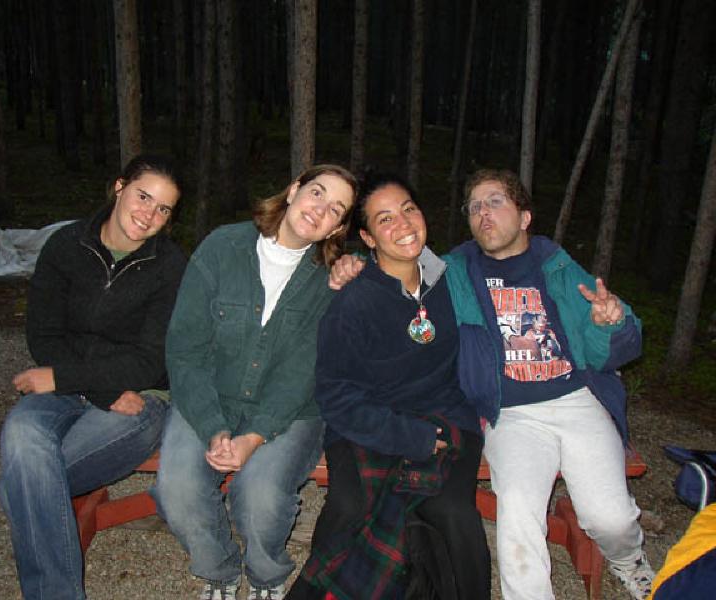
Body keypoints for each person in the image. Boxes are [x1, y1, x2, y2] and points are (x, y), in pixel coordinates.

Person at [329, 168, 655, 600]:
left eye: (496, 201)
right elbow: (393, 261)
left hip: (577, 400)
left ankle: (628, 558)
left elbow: (610, 350)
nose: (484, 213)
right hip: (509, 412)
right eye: (475, 206)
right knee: (517, 518)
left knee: (610, 519)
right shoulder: (453, 267)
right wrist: (353, 263)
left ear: (524, 217)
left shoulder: (556, 265)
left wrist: (609, 323)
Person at [153, 164, 357, 600]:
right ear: (294, 188)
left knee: (260, 496)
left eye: (335, 208)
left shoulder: (330, 278)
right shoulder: (223, 246)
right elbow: (185, 348)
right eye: (317, 193)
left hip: (292, 410)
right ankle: (219, 570)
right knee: (178, 488)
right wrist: (212, 426)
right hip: (210, 395)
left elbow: (304, 371)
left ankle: (267, 576)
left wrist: (254, 435)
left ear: (337, 227)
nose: (320, 209)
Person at [287, 172, 490, 600]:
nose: (402, 225)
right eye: (385, 219)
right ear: (368, 236)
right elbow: (336, 396)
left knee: (453, 513)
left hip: (447, 420)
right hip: (368, 422)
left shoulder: (454, 278)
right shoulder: (354, 299)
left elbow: (505, 254)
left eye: (408, 210)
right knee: (351, 506)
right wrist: (409, 437)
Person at [0, 154, 186, 600]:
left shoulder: (171, 265)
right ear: (119, 187)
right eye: (144, 197)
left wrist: (62, 378)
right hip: (74, 388)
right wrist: (88, 386)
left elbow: (150, 362)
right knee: (23, 434)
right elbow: (44, 333)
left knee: (21, 486)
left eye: (163, 209)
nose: (150, 215)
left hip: (138, 399)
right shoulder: (67, 245)